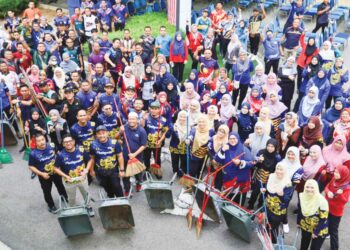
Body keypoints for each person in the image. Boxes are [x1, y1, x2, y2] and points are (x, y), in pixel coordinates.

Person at [54, 134, 94, 216]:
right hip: (69, 181)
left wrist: (86, 170)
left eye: (70, 141)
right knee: (71, 198)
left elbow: (90, 160)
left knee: (86, 194)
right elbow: (56, 168)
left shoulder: (81, 150)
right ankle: (72, 210)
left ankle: (88, 206)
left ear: (74, 142)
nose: (68, 143)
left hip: (82, 179)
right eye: (65, 142)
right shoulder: (60, 155)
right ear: (63, 144)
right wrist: (65, 176)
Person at [28, 133, 67, 213]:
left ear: (45, 139)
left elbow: (58, 154)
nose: (41, 142)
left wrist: (59, 166)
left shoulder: (51, 146)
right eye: (39, 141)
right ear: (36, 143)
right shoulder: (33, 154)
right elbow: (31, 166)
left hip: (55, 173)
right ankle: (51, 205)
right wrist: (41, 174)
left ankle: (64, 198)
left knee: (60, 186)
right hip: (44, 176)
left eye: (42, 140)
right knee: (47, 191)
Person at [214, 131, 254, 205]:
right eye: (230, 138)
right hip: (228, 177)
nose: (232, 140)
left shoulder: (244, 149)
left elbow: (251, 163)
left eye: (234, 138)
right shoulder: (225, 147)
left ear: (238, 139)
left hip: (241, 178)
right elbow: (217, 159)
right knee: (228, 196)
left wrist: (240, 163)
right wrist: (222, 151)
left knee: (239, 197)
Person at [89, 125, 125, 197]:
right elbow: (92, 158)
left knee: (116, 186)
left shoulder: (114, 143)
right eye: (99, 133)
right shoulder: (93, 144)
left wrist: (122, 170)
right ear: (96, 135)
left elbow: (120, 156)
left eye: (103, 133)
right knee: (106, 186)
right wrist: (91, 170)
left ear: (107, 133)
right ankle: (110, 198)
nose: (101, 135)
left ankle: (121, 200)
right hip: (101, 170)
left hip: (113, 169)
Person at [262, 163, 292, 243]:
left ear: (285, 171)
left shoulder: (287, 183)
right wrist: (265, 189)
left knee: (273, 228)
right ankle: (267, 241)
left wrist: (282, 195)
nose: (278, 171)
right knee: (267, 224)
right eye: (277, 169)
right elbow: (268, 188)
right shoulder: (271, 176)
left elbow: (286, 202)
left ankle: (273, 243)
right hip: (268, 207)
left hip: (277, 212)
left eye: (281, 169)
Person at [248, 138, 281, 210]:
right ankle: (250, 205)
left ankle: (260, 205)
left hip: (269, 178)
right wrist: (259, 161)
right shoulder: (261, 152)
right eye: (268, 146)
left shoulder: (277, 157)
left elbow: (277, 170)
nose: (270, 148)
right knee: (255, 192)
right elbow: (254, 164)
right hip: (259, 175)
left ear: (275, 147)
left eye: (272, 146)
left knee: (265, 193)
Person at [119, 112, 147, 194]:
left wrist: (134, 154)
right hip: (125, 157)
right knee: (125, 176)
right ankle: (127, 190)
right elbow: (116, 137)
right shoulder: (124, 127)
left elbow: (144, 145)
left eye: (133, 119)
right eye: (129, 119)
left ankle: (138, 184)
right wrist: (120, 131)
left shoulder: (142, 131)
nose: (131, 120)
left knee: (138, 174)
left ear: (137, 120)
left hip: (137, 157)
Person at [298, 179, 329, 250]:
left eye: (312, 187)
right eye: (307, 187)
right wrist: (298, 222)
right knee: (303, 246)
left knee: (315, 248)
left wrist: (316, 232)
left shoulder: (322, 201)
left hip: (319, 229)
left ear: (316, 188)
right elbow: (300, 210)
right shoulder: (302, 196)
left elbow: (323, 218)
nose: (309, 189)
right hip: (305, 225)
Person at [325, 165, 350, 250]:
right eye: (335, 171)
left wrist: (340, 194)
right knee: (325, 223)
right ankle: (326, 233)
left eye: (337, 173)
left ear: (343, 175)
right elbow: (326, 187)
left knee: (334, 231)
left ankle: (334, 248)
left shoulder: (346, 187)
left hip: (336, 212)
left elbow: (344, 200)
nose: (334, 174)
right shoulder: (334, 179)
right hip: (327, 206)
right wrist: (328, 192)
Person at [143, 101, 169, 178]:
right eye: (152, 108)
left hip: (157, 144)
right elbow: (141, 127)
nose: (154, 110)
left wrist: (160, 141)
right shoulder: (146, 117)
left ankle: (157, 171)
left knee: (157, 158)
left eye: (156, 109)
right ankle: (147, 170)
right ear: (149, 109)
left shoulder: (163, 120)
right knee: (146, 158)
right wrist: (143, 119)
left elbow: (165, 132)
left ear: (159, 109)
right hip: (147, 143)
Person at [186, 114, 211, 178]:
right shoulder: (194, 129)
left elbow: (212, 139)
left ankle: (199, 180)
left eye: (203, 121)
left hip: (204, 154)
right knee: (193, 170)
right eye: (200, 121)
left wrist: (210, 144)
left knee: (201, 169)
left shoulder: (210, 130)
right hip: (195, 153)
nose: (201, 123)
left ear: (206, 122)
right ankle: (191, 182)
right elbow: (191, 135)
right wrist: (188, 139)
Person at [208, 124, 229, 190]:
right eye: (220, 131)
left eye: (223, 132)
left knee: (220, 178)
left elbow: (227, 154)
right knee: (214, 176)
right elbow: (209, 150)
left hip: (222, 163)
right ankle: (214, 187)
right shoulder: (213, 138)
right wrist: (213, 159)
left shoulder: (227, 142)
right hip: (213, 161)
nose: (221, 133)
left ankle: (217, 190)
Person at [170, 110, 189, 177]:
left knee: (184, 161)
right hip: (175, 147)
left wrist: (189, 139)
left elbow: (192, 136)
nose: (182, 118)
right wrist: (173, 130)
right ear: (178, 117)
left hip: (184, 148)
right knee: (174, 161)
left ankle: (181, 172)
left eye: (184, 117)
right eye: (181, 116)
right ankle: (175, 171)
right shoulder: (174, 125)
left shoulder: (189, 126)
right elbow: (167, 135)